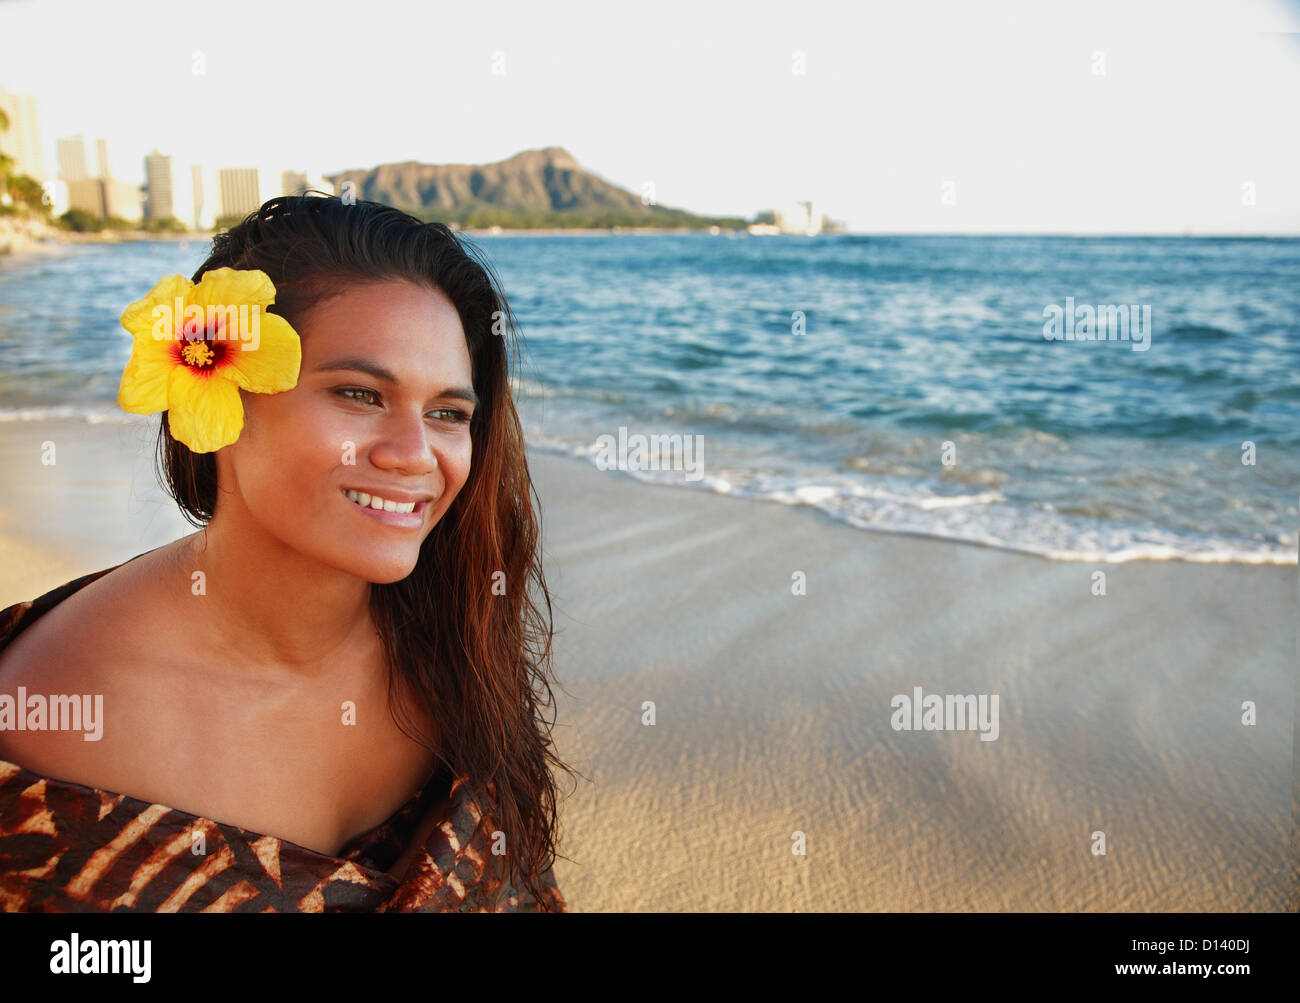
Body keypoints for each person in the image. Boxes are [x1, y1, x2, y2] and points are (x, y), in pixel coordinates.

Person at [0, 194, 572, 912]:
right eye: (360, 393)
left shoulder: (452, 629)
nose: (415, 453)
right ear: (217, 397)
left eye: (447, 413)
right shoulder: (58, 722)